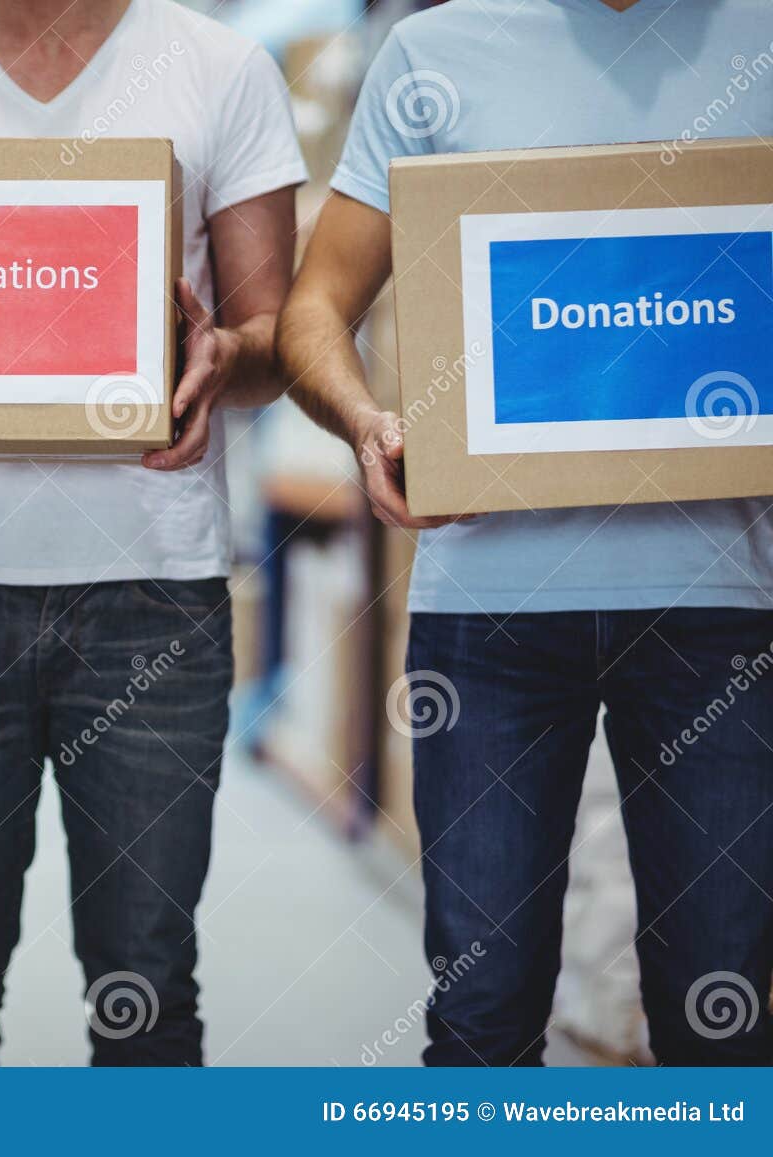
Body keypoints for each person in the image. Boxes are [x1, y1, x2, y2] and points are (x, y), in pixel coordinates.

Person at [0, 0, 304, 1065]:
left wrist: (222, 356)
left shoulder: (221, 71)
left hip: (153, 596)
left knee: (146, 991)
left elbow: (274, 343)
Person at [278, 0, 773, 1066]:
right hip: (488, 619)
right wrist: (367, 423)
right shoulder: (433, 53)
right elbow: (314, 303)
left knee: (720, 1020)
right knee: (481, 1020)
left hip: (721, 614)